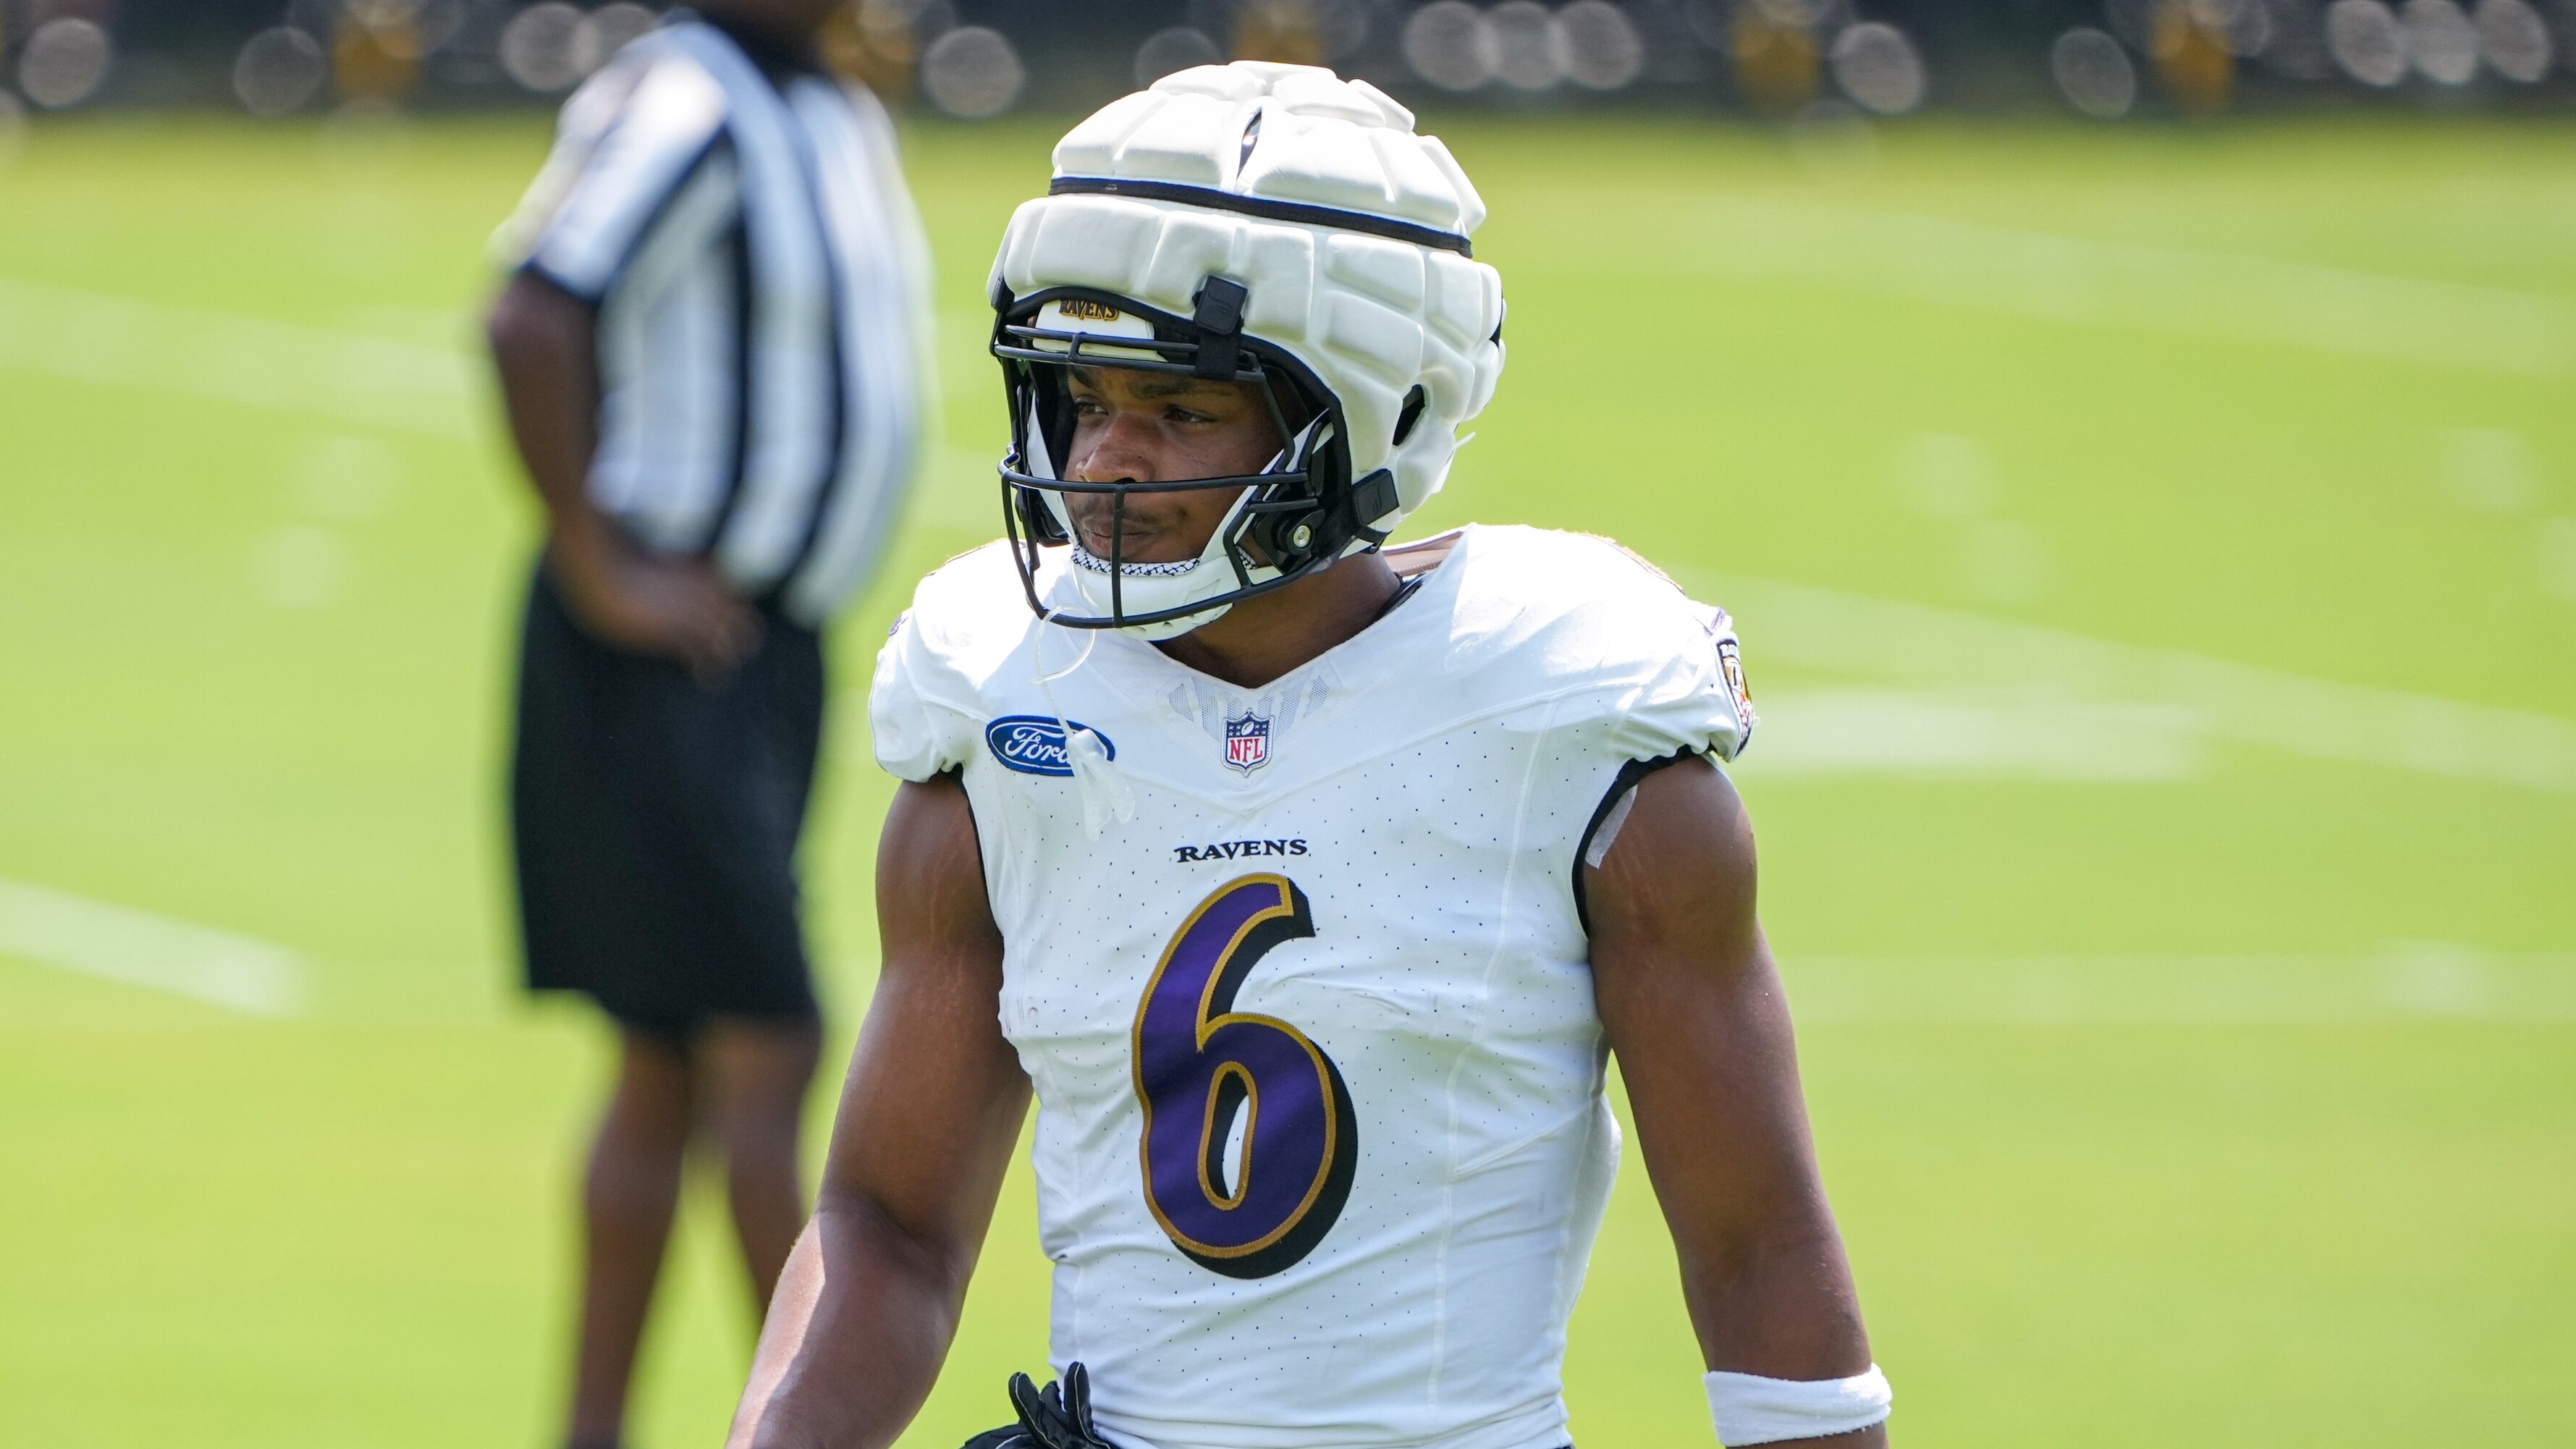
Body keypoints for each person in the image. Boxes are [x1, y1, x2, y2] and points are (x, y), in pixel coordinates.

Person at [724, 62, 1886, 1449]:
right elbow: (893, 1226)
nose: (1106, 461)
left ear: (1366, 406)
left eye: (1182, 410)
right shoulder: (1001, 705)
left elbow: (1757, 1253)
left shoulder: (1565, 713)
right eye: (1083, 398)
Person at [483, 4, 929, 1447]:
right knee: (770, 1045)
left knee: (667, 1060)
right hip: (670, 646)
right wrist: (601, 560)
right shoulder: (691, 94)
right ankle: (805, 1423)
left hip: (760, 651)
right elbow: (536, 308)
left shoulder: (830, 107)